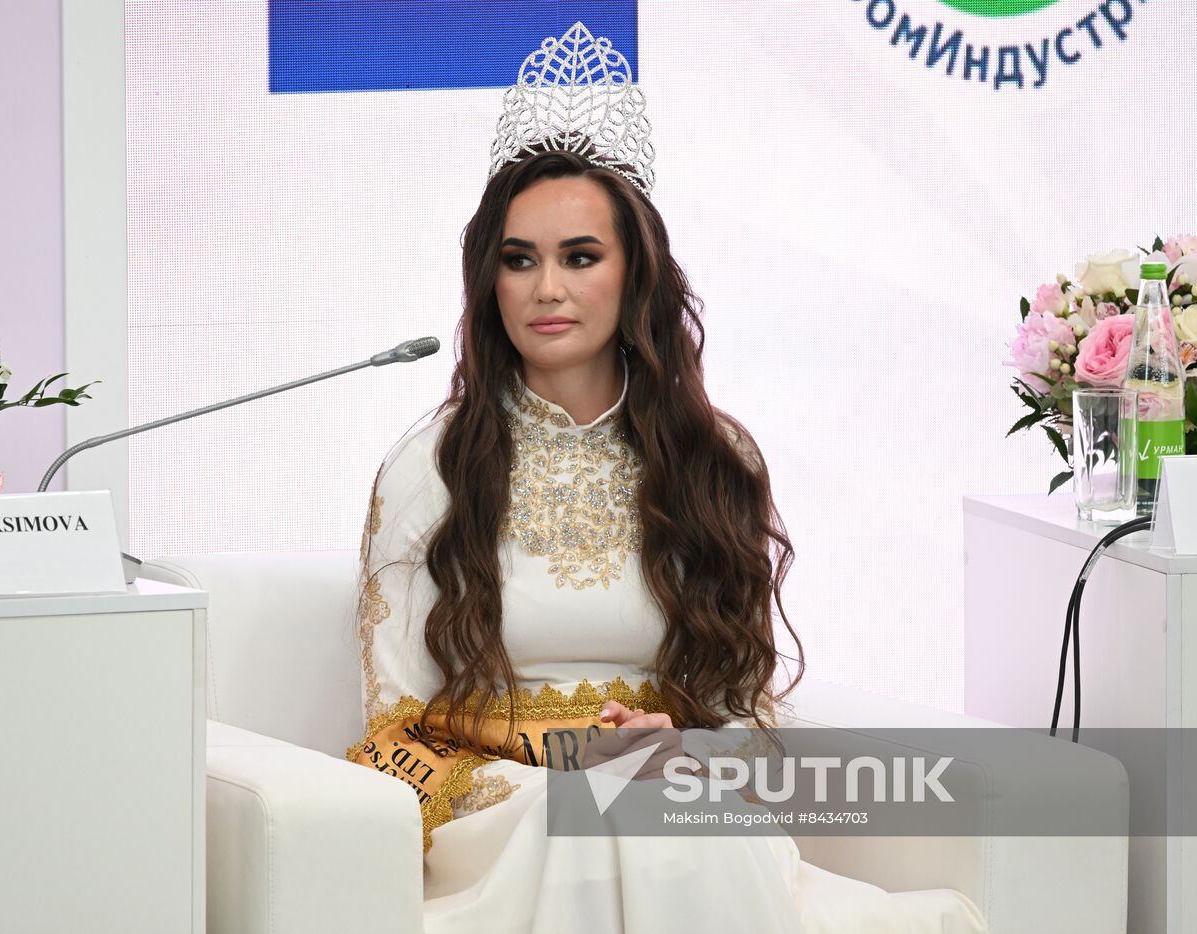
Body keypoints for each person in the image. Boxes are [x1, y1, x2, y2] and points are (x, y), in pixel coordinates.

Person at [347, 23, 986, 934]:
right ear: (489, 281)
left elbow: (743, 710)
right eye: (518, 259)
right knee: (598, 817)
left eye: (580, 256)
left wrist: (679, 750)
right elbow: (392, 725)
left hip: (676, 796)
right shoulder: (431, 466)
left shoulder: (714, 460)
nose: (546, 289)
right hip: (506, 814)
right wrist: (562, 768)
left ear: (635, 272)